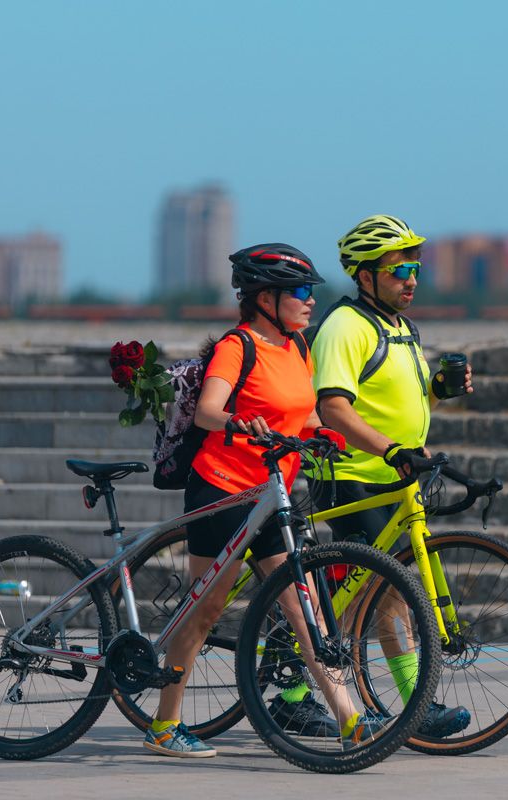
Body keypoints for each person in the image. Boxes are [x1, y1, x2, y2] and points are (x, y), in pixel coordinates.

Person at [144, 243, 380, 757]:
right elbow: (209, 410)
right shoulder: (239, 345)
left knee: (306, 610)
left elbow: (303, 415)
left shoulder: (297, 347)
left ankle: (351, 720)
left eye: (310, 292)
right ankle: (164, 725)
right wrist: (240, 423)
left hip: (272, 498)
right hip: (223, 491)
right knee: (204, 612)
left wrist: (328, 436)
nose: (309, 301)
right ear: (264, 298)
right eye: (299, 292)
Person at [307, 214, 474, 739]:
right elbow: (333, 408)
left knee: (366, 597)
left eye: (415, 268)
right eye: (399, 268)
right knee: (390, 594)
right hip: (352, 474)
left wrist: (438, 393)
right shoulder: (344, 327)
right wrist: (391, 449)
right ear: (364, 275)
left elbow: (398, 404)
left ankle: (290, 682)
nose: (411, 279)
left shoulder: (401, 328)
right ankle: (415, 707)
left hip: (393, 475)